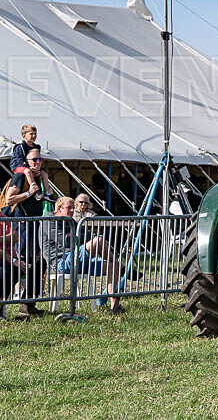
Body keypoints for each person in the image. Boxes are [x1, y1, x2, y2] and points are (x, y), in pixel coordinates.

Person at [41, 197, 126, 314]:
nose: (72, 210)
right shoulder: (48, 220)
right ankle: (124, 268)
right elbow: (65, 241)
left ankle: (114, 305)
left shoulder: (71, 221)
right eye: (69, 208)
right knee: (98, 241)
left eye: (73, 208)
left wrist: (74, 237)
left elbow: (87, 235)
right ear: (59, 209)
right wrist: (76, 238)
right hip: (61, 263)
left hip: (79, 260)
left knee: (114, 265)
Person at [3, 148, 46, 317]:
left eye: (40, 159)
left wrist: (45, 182)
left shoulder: (38, 177)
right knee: (21, 264)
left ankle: (28, 304)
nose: (38, 162)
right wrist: (29, 193)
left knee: (38, 263)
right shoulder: (20, 177)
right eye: (34, 159)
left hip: (34, 225)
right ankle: (5, 303)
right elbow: (9, 199)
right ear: (26, 162)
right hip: (22, 226)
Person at [9, 124, 54, 203]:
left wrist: (38, 169)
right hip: (18, 166)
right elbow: (19, 160)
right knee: (28, 171)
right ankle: (36, 191)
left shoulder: (37, 146)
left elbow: (37, 159)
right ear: (24, 136)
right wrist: (28, 167)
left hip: (30, 167)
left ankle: (47, 193)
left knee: (44, 174)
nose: (34, 136)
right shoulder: (20, 146)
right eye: (31, 134)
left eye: (35, 134)